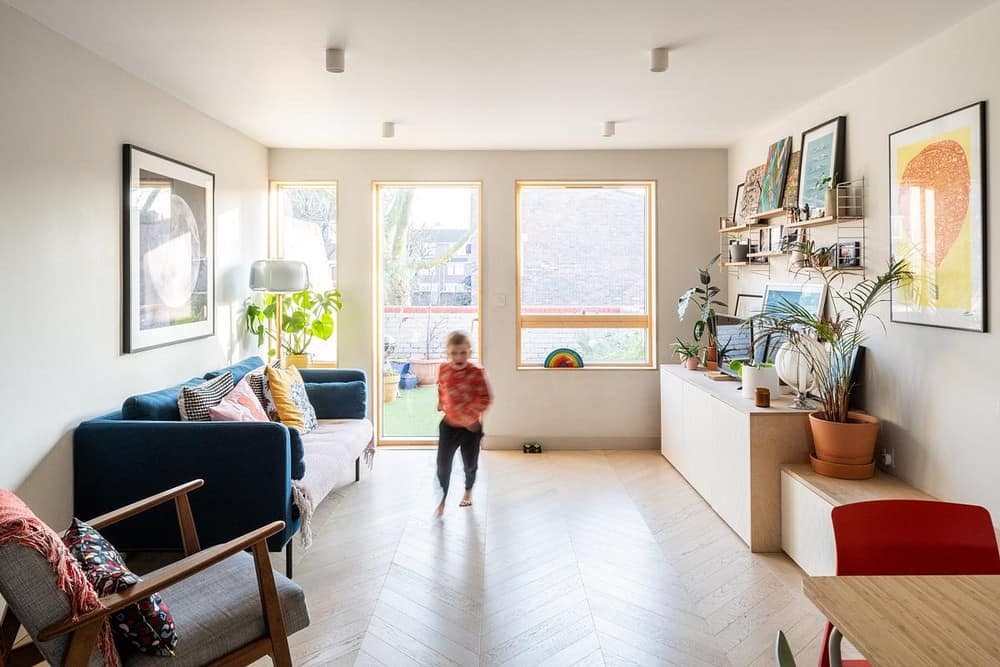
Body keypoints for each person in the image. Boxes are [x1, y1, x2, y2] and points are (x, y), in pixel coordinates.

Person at [435, 330, 492, 515]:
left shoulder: (476, 372)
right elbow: (441, 385)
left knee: (469, 464)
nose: (459, 357)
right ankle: (443, 497)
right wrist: (440, 402)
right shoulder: (443, 368)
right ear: (448, 353)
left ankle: (468, 491)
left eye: (463, 353)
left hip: (470, 428)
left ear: (470, 352)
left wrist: (470, 418)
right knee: (443, 464)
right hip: (449, 426)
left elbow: (485, 397)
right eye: (454, 353)